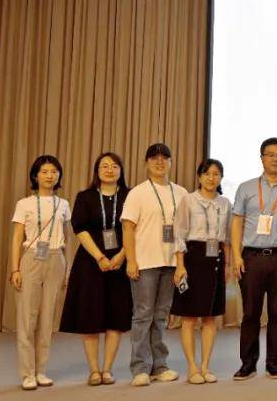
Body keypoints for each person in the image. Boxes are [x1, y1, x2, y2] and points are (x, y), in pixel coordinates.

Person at [230, 137, 277, 380]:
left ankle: (273, 363)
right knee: (250, 313)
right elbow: (237, 223)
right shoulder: (246, 188)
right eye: (271, 154)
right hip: (251, 257)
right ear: (262, 158)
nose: (276, 159)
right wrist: (236, 256)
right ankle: (248, 363)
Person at [60, 152, 133, 386]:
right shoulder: (85, 196)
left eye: (114, 166)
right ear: (97, 170)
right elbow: (79, 229)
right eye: (104, 166)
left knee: (116, 317)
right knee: (89, 316)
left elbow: (136, 228)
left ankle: (107, 369)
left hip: (121, 263)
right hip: (90, 263)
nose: (109, 170)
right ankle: (93, 370)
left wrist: (122, 255)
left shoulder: (130, 196)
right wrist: (100, 256)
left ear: (121, 171)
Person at [121, 143, 187, 386]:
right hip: (145, 262)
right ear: (146, 163)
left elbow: (183, 232)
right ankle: (140, 368)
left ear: (171, 162)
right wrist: (131, 260)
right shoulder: (137, 193)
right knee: (142, 316)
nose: (160, 162)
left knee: (160, 316)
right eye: (154, 158)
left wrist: (180, 264)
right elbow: (128, 229)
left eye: (164, 158)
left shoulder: (181, 193)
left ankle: (160, 366)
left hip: (171, 262)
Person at [10, 155, 72, 391]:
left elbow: (67, 238)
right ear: (35, 176)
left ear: (59, 176)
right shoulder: (24, 204)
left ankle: (41, 370)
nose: (49, 176)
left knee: (47, 318)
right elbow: (17, 238)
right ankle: (27, 373)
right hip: (32, 257)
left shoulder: (63, 204)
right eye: (44, 171)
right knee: (27, 317)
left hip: (56, 258)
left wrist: (67, 267)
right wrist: (15, 268)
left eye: (54, 171)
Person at [170, 159, 232, 384]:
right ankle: (192, 367)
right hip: (193, 257)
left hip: (216, 258)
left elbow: (227, 237)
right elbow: (178, 233)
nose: (211, 178)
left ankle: (205, 366)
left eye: (216, 174)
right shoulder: (188, 200)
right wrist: (180, 265)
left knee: (210, 317)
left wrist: (227, 265)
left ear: (221, 178)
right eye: (207, 173)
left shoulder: (225, 203)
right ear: (199, 177)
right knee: (189, 317)